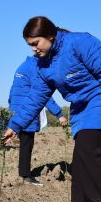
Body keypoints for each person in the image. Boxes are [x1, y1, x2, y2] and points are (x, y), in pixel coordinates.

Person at [4, 16, 101, 202]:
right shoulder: (43, 65)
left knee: (88, 151)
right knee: (80, 159)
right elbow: (36, 97)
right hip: (80, 109)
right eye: (30, 45)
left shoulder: (80, 42)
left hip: (99, 100)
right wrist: (16, 125)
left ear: (50, 36)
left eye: (35, 43)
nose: (33, 49)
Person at [9, 56, 67, 186]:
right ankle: (25, 175)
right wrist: (59, 114)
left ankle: (23, 173)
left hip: (17, 110)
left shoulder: (22, 66)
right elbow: (43, 95)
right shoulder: (35, 69)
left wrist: (12, 109)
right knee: (27, 144)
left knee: (24, 143)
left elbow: (12, 90)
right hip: (27, 110)